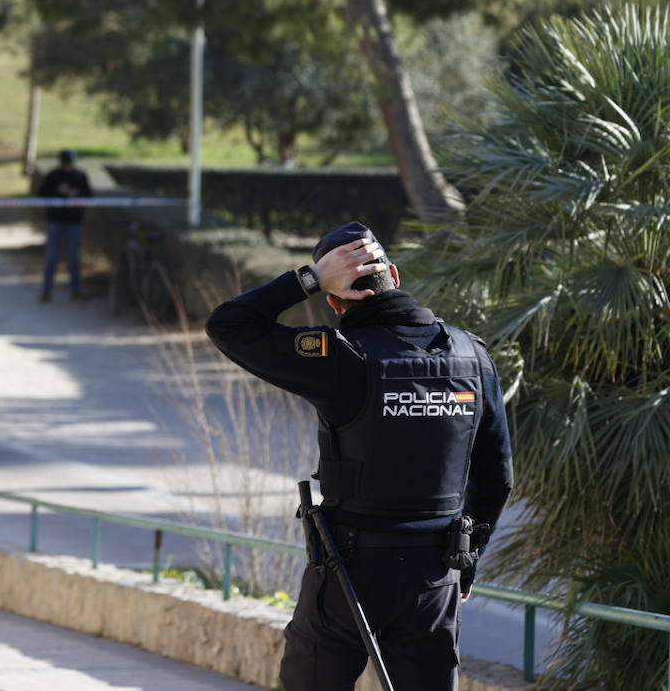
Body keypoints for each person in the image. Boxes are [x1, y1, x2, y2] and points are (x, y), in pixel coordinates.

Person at [205, 221, 512, 691]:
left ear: (333, 298)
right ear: (394, 273)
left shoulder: (341, 356)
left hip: (351, 570)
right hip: (436, 573)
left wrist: (306, 277)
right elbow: (497, 475)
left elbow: (228, 324)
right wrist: (465, 563)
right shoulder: (472, 355)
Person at [36, 149, 93, 302]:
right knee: (51, 257)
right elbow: (41, 193)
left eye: (70, 163)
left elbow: (89, 195)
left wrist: (76, 194)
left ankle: (76, 291)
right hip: (55, 221)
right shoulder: (53, 176)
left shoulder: (80, 176)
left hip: (74, 222)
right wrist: (57, 191)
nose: (68, 166)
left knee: (74, 257)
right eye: (65, 163)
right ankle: (46, 291)